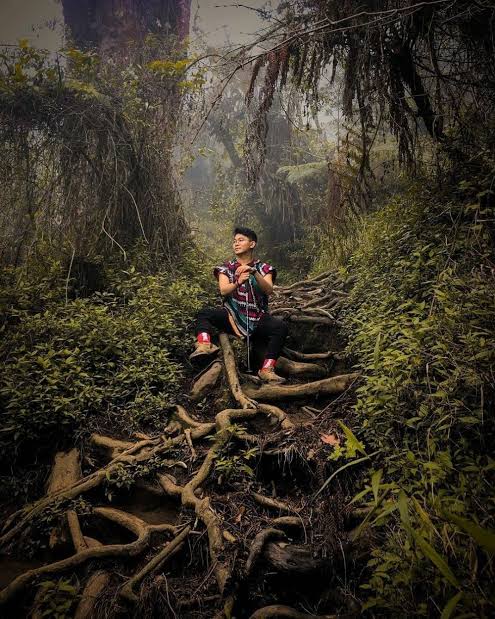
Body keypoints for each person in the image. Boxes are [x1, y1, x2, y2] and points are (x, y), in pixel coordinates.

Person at [190, 226, 288, 384]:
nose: (236, 244)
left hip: (257, 317)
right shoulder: (226, 268)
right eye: (234, 241)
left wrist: (253, 272)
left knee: (280, 327)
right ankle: (204, 345)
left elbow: (268, 289)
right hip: (232, 316)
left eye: (241, 240)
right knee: (204, 313)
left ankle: (267, 369)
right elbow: (223, 290)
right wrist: (237, 282)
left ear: (252, 244)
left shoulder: (264, 268)